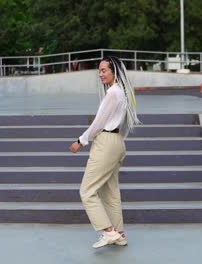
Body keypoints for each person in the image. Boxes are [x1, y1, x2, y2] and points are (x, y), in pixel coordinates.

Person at [69, 56, 140, 249]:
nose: (100, 74)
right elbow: (124, 124)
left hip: (106, 142)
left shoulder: (113, 93)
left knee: (86, 190)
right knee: (110, 192)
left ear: (114, 71)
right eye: (99, 71)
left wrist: (80, 141)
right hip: (117, 142)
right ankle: (120, 235)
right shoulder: (124, 92)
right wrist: (117, 141)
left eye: (104, 70)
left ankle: (109, 232)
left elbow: (98, 122)